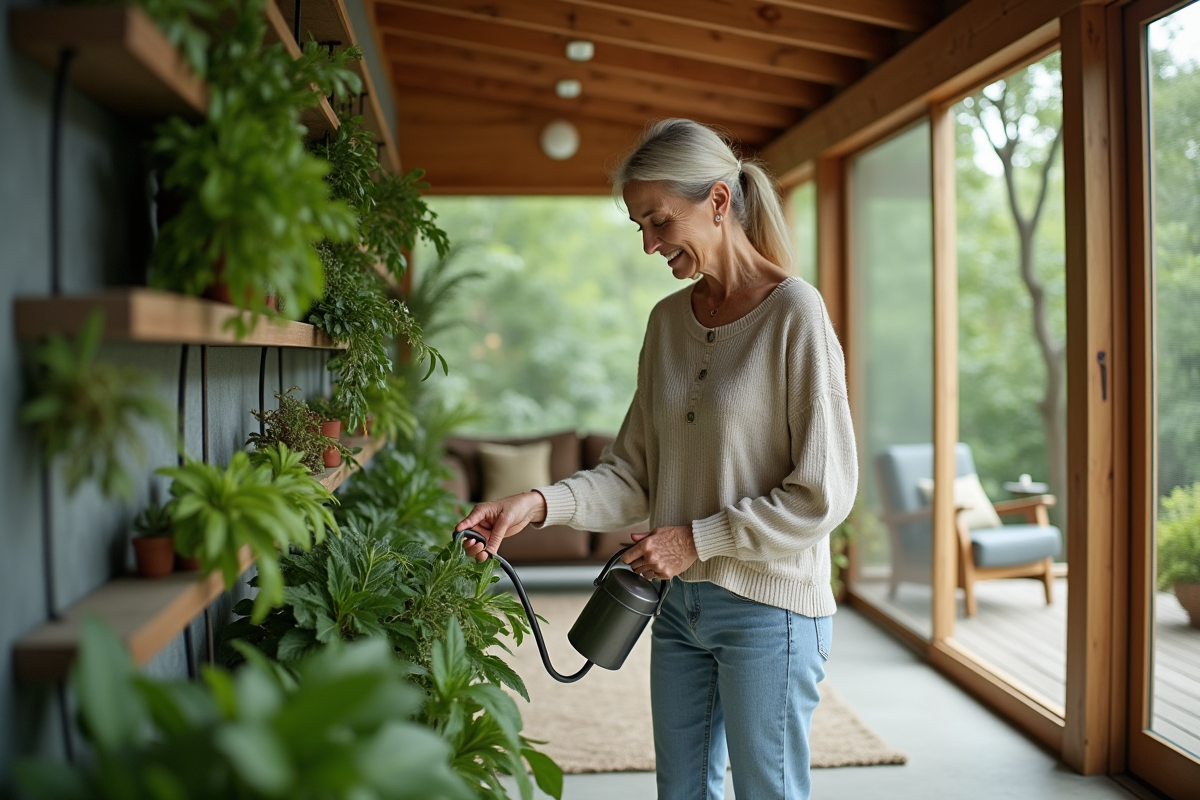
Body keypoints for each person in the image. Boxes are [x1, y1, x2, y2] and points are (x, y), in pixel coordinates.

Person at [456, 118, 857, 800]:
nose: (649, 244)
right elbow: (633, 473)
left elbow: (823, 493)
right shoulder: (668, 323)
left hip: (771, 612)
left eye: (659, 221)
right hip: (678, 608)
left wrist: (694, 540)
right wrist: (535, 505)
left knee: (768, 792)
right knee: (681, 792)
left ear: (720, 202)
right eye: (639, 226)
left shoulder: (796, 313)